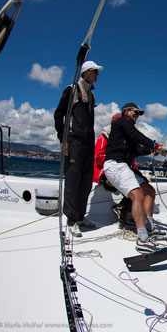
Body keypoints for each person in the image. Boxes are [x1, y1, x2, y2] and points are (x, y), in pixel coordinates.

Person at [103, 102, 167, 253]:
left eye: (139, 114)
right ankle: (143, 239)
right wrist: (155, 145)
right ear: (126, 111)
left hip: (124, 167)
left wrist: (154, 150)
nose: (137, 116)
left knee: (149, 191)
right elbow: (136, 135)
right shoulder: (122, 121)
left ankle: (150, 227)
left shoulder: (127, 132)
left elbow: (138, 149)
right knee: (137, 195)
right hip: (115, 165)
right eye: (135, 112)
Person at [54, 60, 103, 237]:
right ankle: (71, 219)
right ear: (86, 72)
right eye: (95, 71)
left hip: (88, 142)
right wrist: (63, 138)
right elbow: (59, 114)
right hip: (74, 140)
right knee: (73, 179)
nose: (98, 74)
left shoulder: (92, 95)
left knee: (86, 180)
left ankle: (81, 216)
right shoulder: (72, 90)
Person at [93, 113, 134, 226]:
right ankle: (123, 210)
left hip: (121, 170)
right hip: (105, 173)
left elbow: (130, 160)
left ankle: (123, 208)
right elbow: (99, 158)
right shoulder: (104, 137)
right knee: (132, 186)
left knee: (141, 184)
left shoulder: (125, 139)